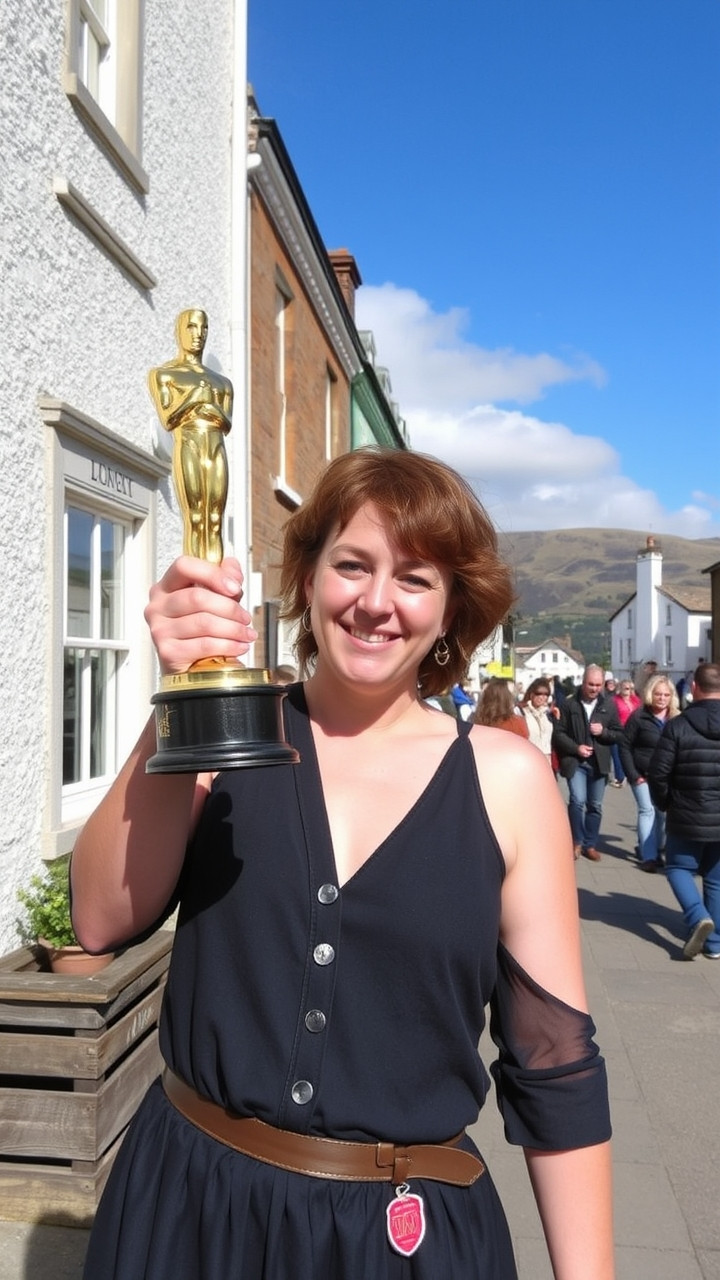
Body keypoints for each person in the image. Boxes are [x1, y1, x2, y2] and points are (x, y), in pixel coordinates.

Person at [71, 448, 613, 1280]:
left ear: (452, 611)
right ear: (309, 577)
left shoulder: (507, 782)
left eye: (416, 579)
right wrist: (180, 699)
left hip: (397, 1244)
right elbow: (101, 917)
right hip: (191, 1211)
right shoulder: (229, 738)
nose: (374, 602)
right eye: (351, 565)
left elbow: (554, 1065)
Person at [148, 309, 234, 563]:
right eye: (192, 328)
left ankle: (214, 587)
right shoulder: (166, 375)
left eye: (203, 328)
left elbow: (226, 423)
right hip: (189, 443)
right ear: (180, 331)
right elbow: (168, 418)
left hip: (215, 446)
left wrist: (209, 409)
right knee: (195, 517)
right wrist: (197, 398)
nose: (198, 335)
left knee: (215, 518)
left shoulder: (222, 382)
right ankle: (198, 583)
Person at [648, 662, 720, 960]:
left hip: (686, 812)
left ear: (694, 688)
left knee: (678, 868)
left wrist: (665, 803)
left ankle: (696, 916)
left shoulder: (679, 725)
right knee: (716, 879)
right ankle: (715, 944)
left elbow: (658, 772)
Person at [552, 665, 623, 862]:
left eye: (598, 685)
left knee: (595, 805)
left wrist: (604, 732)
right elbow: (559, 734)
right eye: (591, 684)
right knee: (577, 800)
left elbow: (619, 733)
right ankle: (577, 841)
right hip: (576, 762)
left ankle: (590, 844)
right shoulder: (569, 704)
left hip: (599, 764)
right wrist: (577, 749)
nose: (594, 688)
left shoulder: (608, 704)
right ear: (583, 683)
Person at [619, 675, 680, 873]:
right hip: (641, 774)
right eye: (658, 694)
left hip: (666, 777)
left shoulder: (677, 719)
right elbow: (625, 746)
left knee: (662, 814)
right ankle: (649, 857)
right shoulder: (639, 716)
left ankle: (654, 847)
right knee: (647, 810)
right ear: (650, 694)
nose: (662, 698)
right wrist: (633, 774)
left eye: (666, 695)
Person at [520, 678, 554, 764]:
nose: (542, 697)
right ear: (531, 694)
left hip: (546, 760)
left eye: (546, 694)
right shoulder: (521, 712)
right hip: (528, 759)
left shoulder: (548, 714)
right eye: (538, 693)